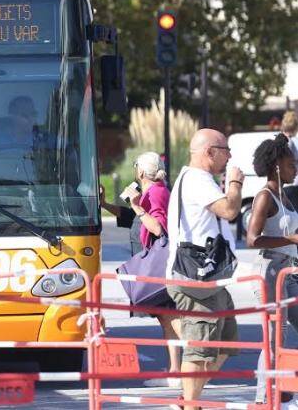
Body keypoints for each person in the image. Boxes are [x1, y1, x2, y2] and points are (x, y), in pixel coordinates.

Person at [166, 129, 243, 408]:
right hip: (196, 278)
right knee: (200, 348)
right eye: (226, 150)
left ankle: (188, 398)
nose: (229, 156)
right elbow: (230, 210)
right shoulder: (198, 180)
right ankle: (189, 403)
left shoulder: (197, 179)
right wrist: (234, 183)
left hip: (210, 277)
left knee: (225, 341)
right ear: (209, 152)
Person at [102, 152, 179, 387]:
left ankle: (176, 373)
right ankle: (175, 371)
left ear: (142, 172)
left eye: (136, 166)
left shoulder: (155, 192)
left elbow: (157, 227)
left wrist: (137, 207)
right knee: (168, 318)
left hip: (158, 264)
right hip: (154, 263)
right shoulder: (151, 192)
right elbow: (131, 218)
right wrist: (106, 204)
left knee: (169, 318)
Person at [246, 134, 298, 405]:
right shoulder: (265, 197)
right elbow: (252, 239)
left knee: (286, 331)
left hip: (288, 270)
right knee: (275, 334)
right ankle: (265, 395)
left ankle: (284, 383)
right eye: (292, 165)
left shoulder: (284, 196)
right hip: (269, 269)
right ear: (277, 166)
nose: (296, 169)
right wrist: (290, 240)